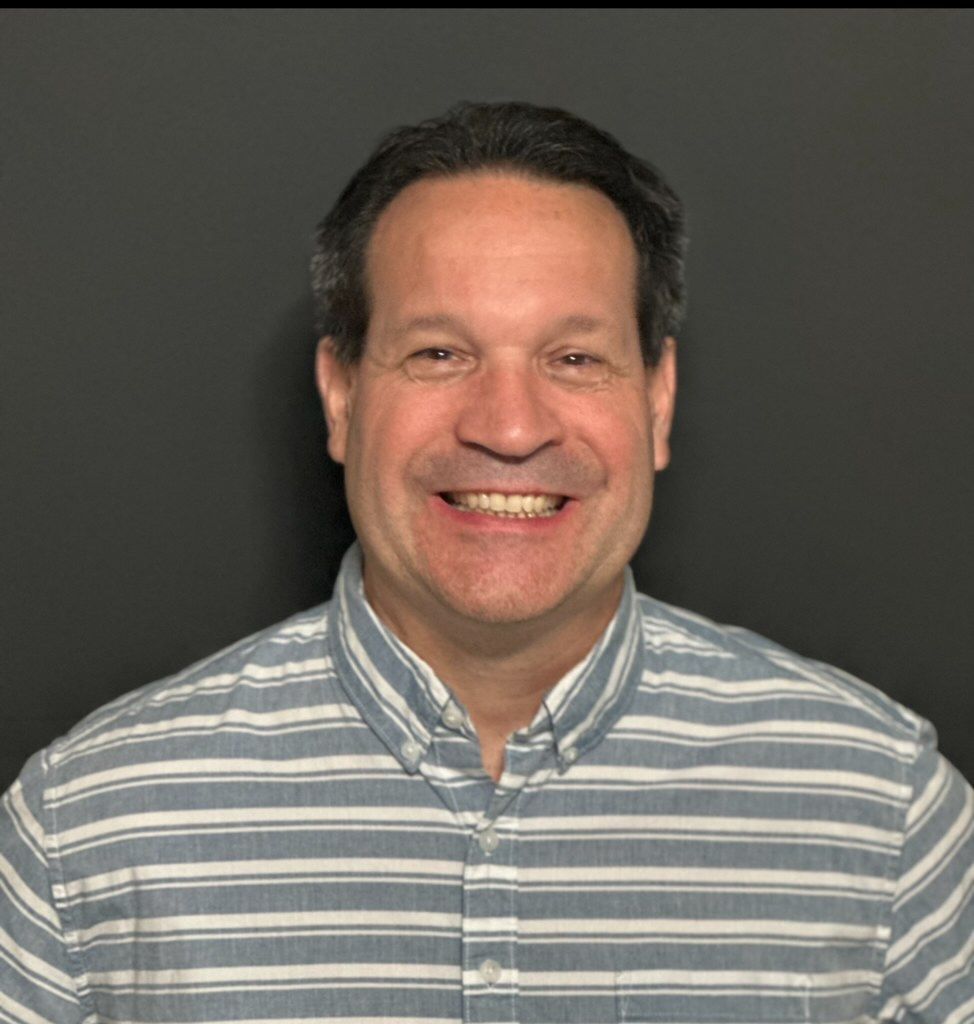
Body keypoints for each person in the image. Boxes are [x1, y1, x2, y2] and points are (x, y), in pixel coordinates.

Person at [1, 102, 971, 1023]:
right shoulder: (84, 830)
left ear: (657, 400)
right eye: (437, 354)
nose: (508, 428)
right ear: (339, 396)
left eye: (573, 359)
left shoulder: (882, 816)